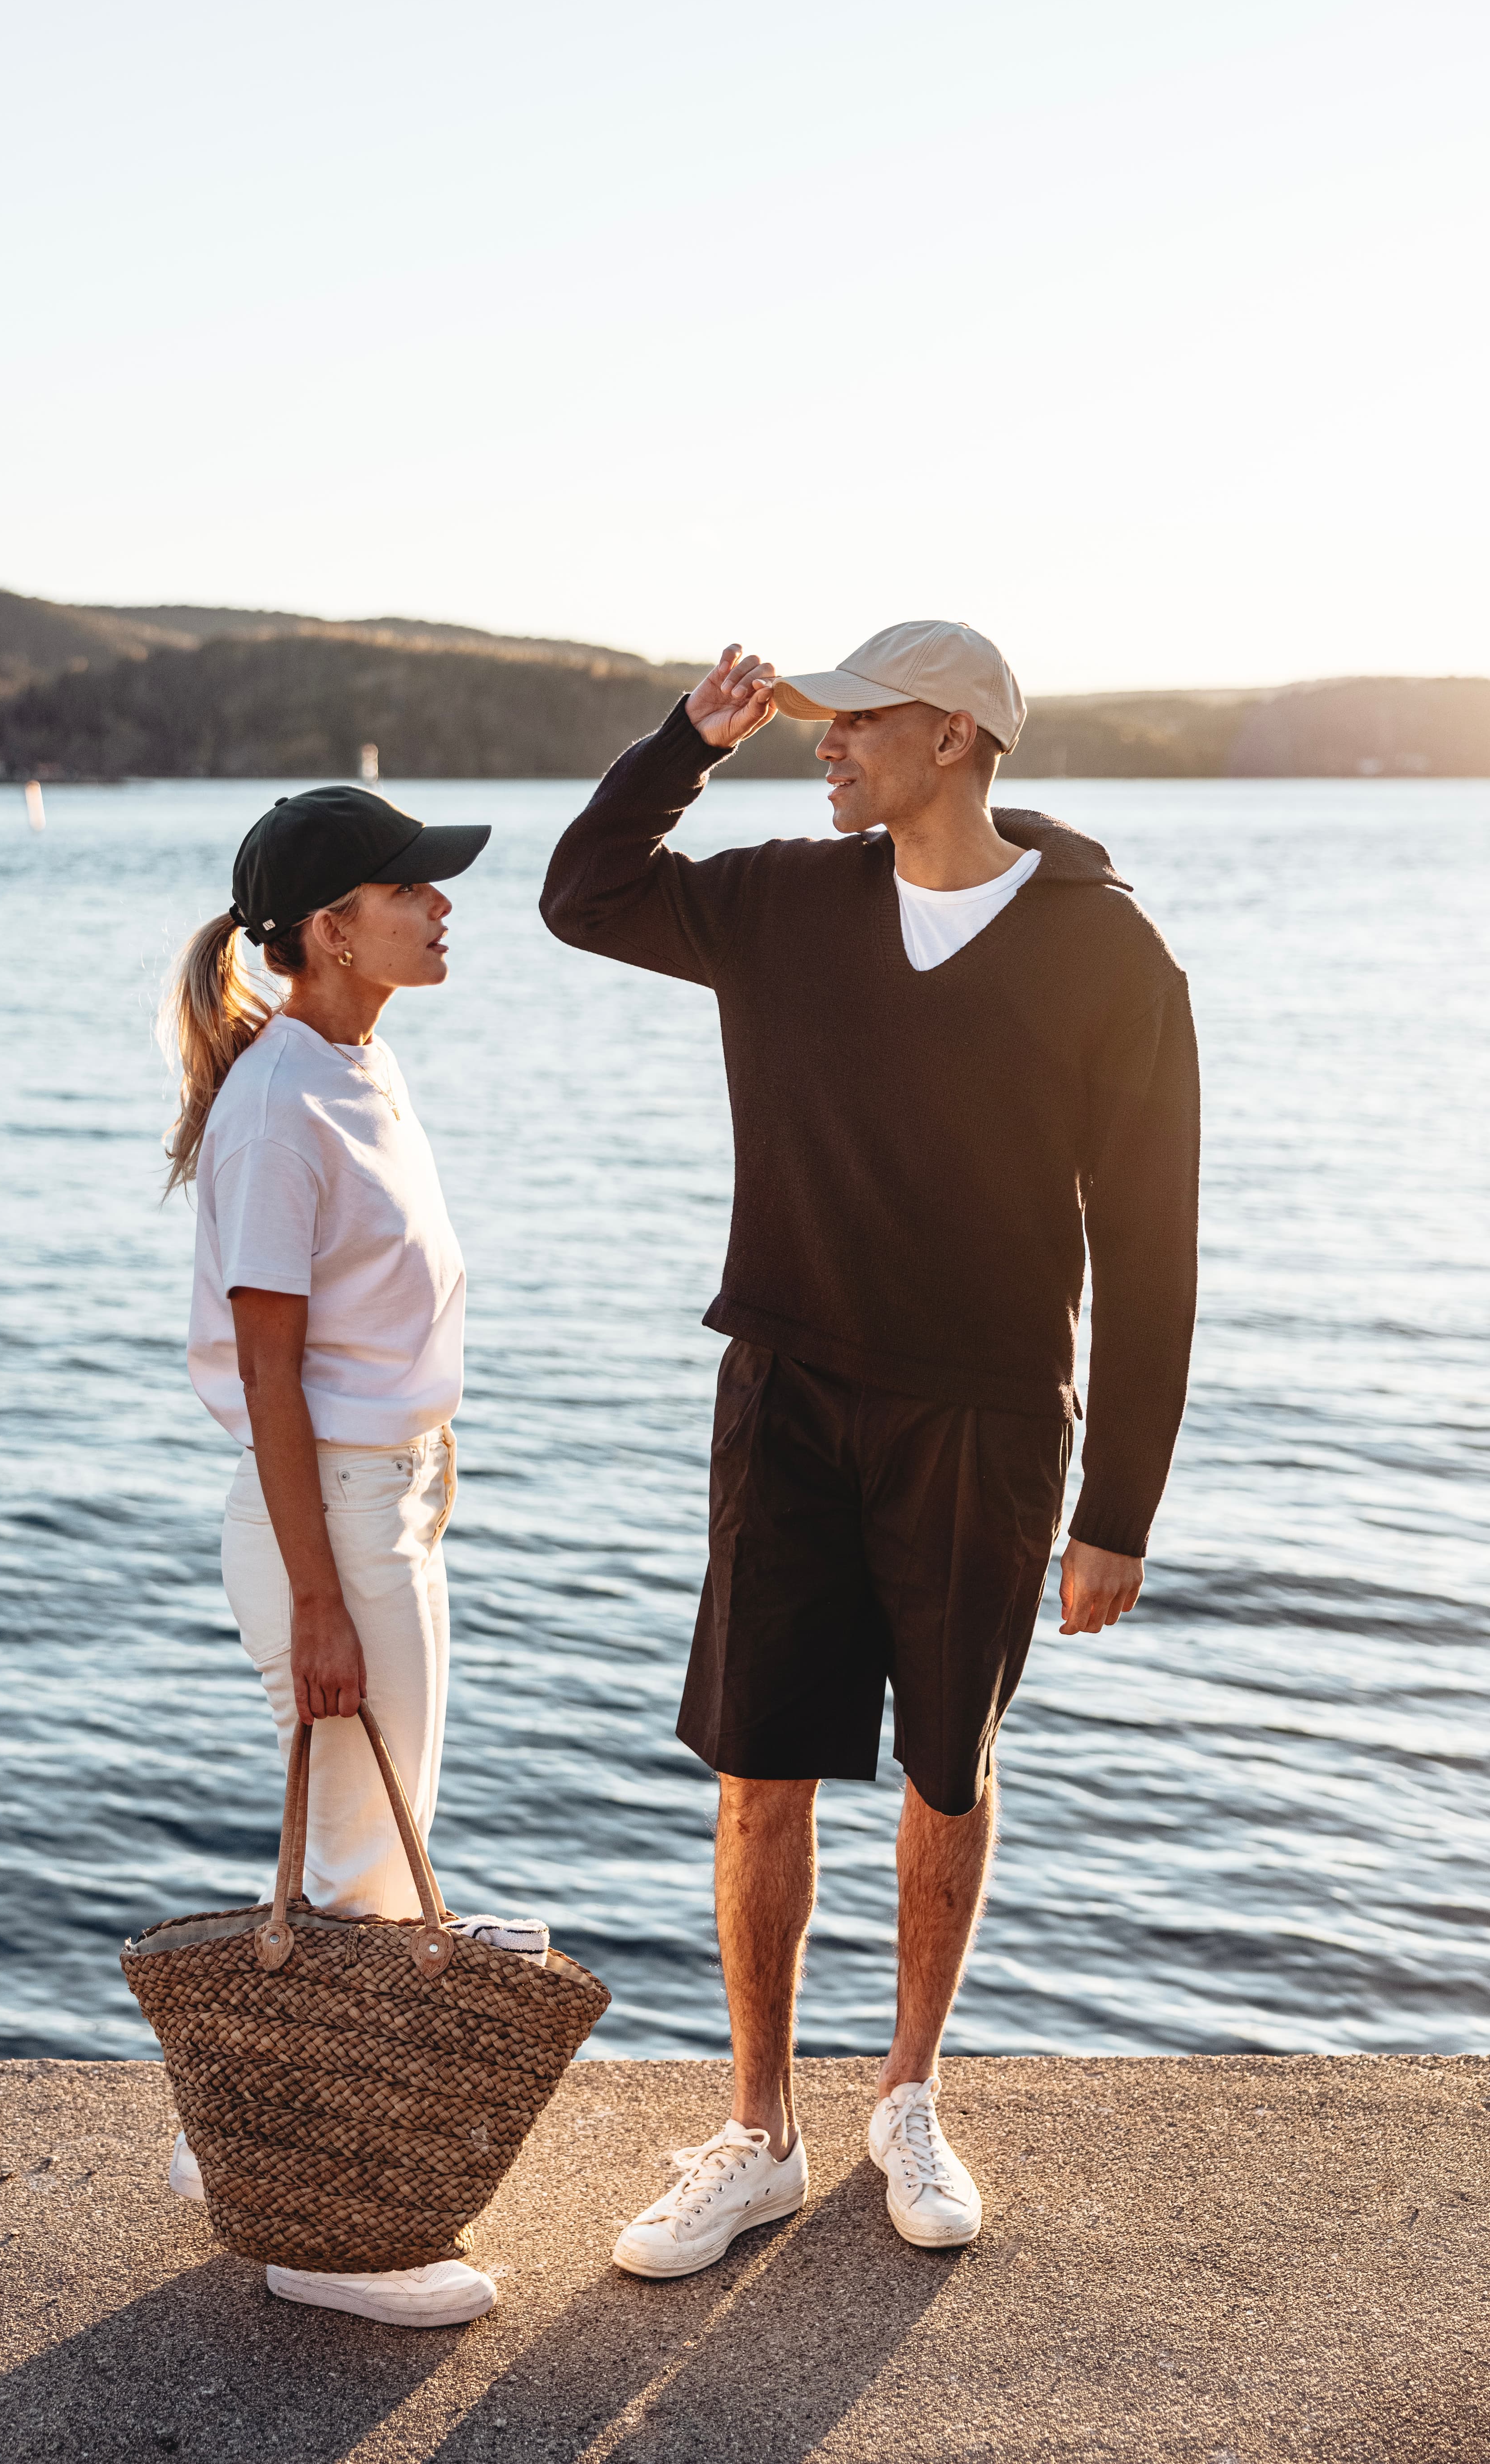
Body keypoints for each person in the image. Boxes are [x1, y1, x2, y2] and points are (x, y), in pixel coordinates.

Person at [541, 622, 1199, 2275]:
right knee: (764, 1765)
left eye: (853, 723)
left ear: (961, 740)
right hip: (789, 1390)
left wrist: (1118, 1507)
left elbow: (1154, 1243)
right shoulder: (779, 900)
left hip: (983, 1417)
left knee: (944, 1769)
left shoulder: (1109, 957)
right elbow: (583, 892)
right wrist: (686, 740)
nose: (819, 743)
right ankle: (760, 2129)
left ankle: (908, 2093)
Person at [159, 780, 498, 2328]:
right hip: (334, 1522)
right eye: (412, 889)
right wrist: (319, 1600)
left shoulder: (359, 1060)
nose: (441, 907)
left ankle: (226, 2136)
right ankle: (333, 2240)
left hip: (384, 1500)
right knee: (371, 1877)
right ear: (328, 930)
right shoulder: (280, 1103)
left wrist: (427, 1468)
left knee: (350, 1839)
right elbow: (273, 1377)